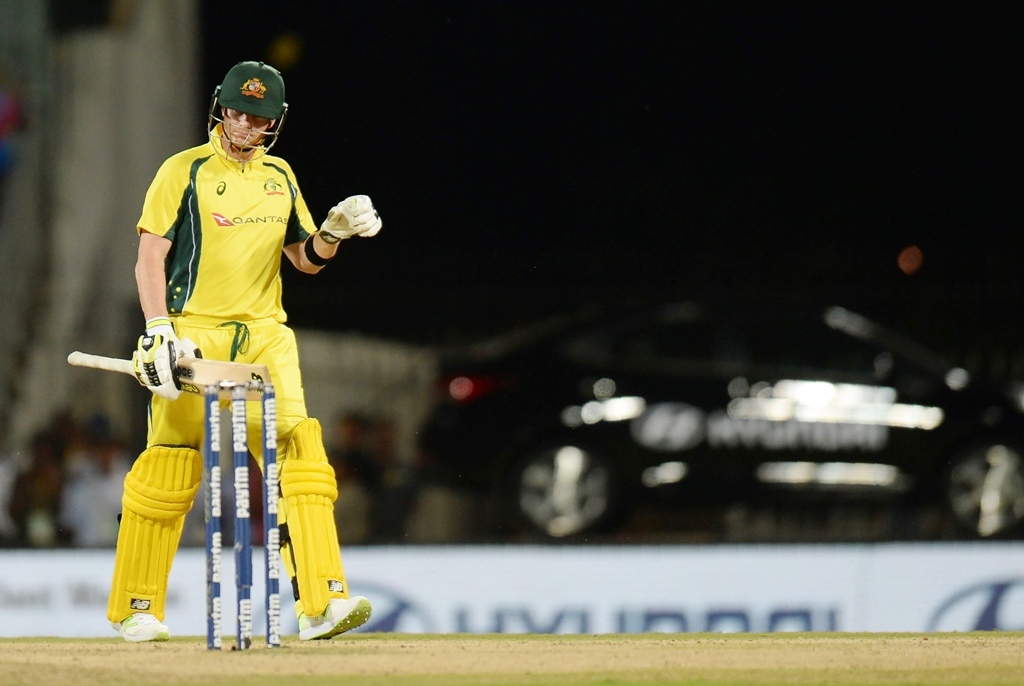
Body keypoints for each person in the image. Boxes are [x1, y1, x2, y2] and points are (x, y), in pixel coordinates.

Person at [107, 61, 381, 643]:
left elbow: (304, 259)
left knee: (300, 451)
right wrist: (158, 327)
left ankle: (320, 604)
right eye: (237, 112)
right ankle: (137, 608)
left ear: (273, 122)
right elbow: (149, 256)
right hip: (193, 333)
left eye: (257, 118)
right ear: (219, 108)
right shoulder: (183, 171)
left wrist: (333, 232)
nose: (244, 125)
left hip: (264, 334)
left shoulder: (280, 175)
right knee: (170, 461)